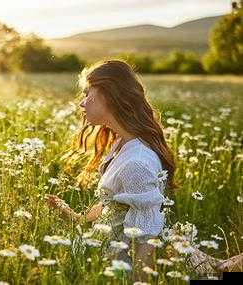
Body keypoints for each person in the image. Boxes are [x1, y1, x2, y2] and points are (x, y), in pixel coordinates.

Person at [44, 60, 243, 280]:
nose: (82, 103)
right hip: (110, 252)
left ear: (109, 95)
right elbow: (113, 202)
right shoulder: (121, 143)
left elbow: (145, 241)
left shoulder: (137, 162)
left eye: (87, 93)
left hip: (123, 266)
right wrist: (78, 218)